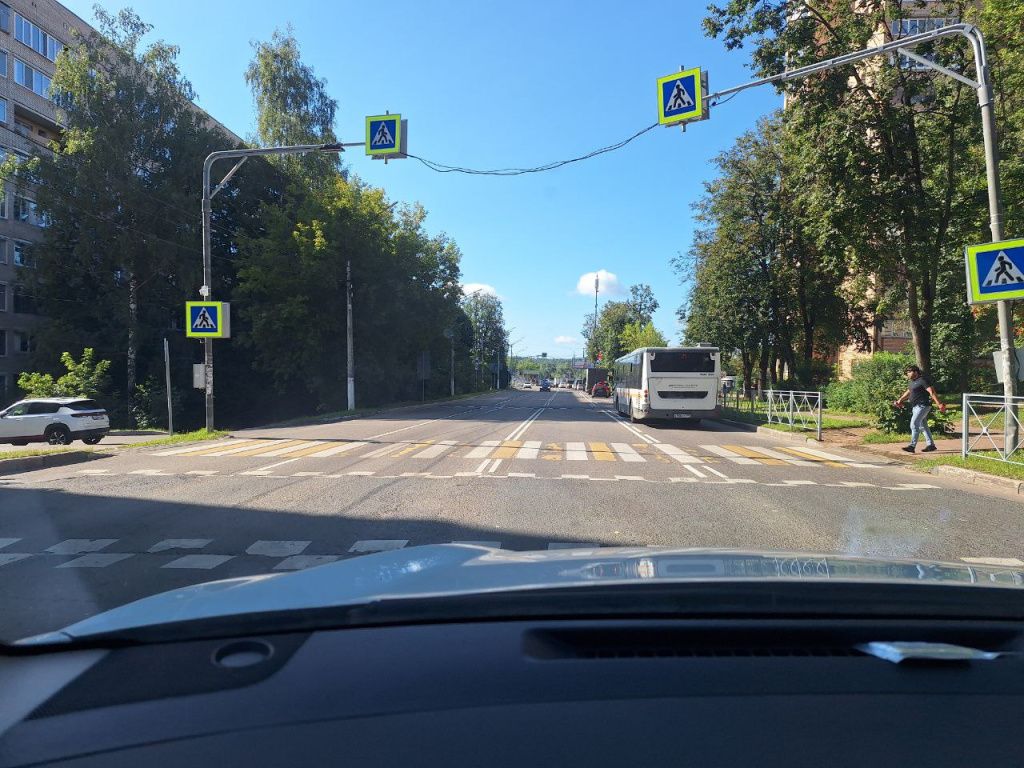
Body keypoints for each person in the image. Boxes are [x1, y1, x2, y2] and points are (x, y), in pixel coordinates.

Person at [893, 365, 946, 453]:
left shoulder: (923, 380)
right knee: (923, 426)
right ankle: (931, 445)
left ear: (915, 372)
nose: (908, 374)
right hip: (915, 407)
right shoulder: (912, 382)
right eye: (907, 372)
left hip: (922, 406)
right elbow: (908, 392)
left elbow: (931, 391)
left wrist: (939, 404)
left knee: (914, 424)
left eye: (909, 372)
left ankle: (912, 446)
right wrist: (899, 400)